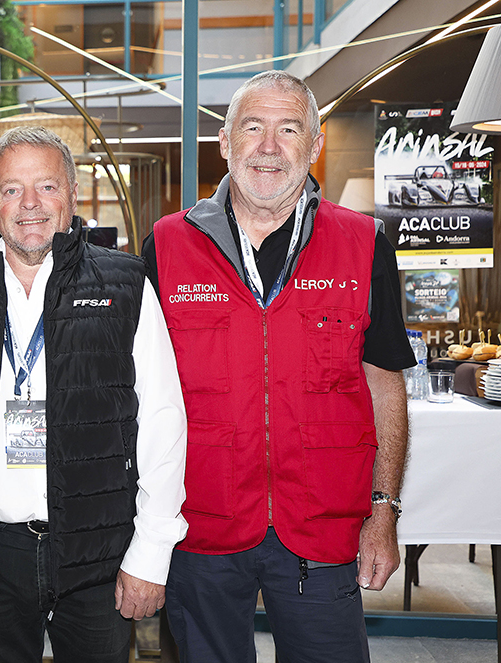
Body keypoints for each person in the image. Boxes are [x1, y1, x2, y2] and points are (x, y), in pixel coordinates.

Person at [143, 71, 414, 662]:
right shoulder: (166, 245)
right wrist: (146, 531)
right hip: (202, 526)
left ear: (315, 145)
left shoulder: (364, 242)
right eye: (253, 127)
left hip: (322, 527)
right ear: (225, 142)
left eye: (289, 129)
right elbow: (145, 397)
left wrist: (384, 513)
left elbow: (384, 384)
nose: (269, 147)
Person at [0, 126, 188, 663]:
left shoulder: (126, 285)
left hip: (100, 551)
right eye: (12, 189)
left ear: (73, 195)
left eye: (46, 186)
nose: (30, 204)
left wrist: (151, 552)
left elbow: (162, 420)